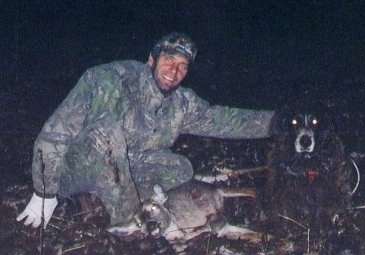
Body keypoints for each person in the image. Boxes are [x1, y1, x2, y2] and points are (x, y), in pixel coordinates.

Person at [17, 32, 276, 230]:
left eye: (183, 65)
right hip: (75, 169)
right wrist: (44, 191)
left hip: (123, 166)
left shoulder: (180, 103)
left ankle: (105, 199)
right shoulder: (106, 81)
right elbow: (54, 133)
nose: (174, 71)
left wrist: (275, 122)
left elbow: (223, 119)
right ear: (151, 60)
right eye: (169, 60)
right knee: (108, 133)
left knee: (181, 168)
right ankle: (129, 222)